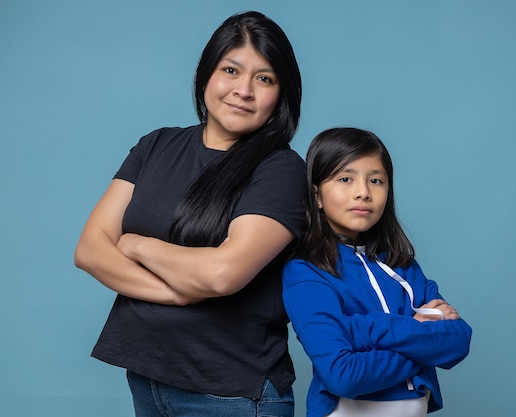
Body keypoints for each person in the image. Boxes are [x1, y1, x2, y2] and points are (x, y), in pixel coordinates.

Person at [74, 11, 306, 417]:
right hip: (148, 378)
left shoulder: (282, 170)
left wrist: (134, 244)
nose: (244, 90)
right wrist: (177, 292)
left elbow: (222, 274)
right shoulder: (156, 146)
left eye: (264, 78)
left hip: (231, 395)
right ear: (206, 75)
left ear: (281, 93)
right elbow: (91, 250)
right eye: (230, 70)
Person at [282, 127, 472, 417]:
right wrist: (421, 336)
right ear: (317, 196)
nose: (363, 192)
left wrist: (360, 328)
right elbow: (343, 375)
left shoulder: (403, 265)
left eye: (376, 180)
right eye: (346, 179)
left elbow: (458, 340)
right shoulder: (306, 272)